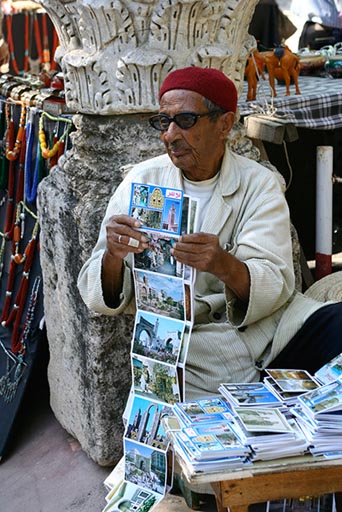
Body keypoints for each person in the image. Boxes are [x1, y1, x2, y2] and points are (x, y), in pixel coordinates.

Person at [77, 66, 342, 400]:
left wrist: (221, 263)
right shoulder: (142, 182)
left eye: (185, 120)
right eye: (163, 121)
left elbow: (276, 282)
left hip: (271, 336)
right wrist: (113, 257)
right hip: (193, 351)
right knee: (194, 444)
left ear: (225, 124)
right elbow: (97, 291)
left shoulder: (258, 183)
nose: (170, 135)